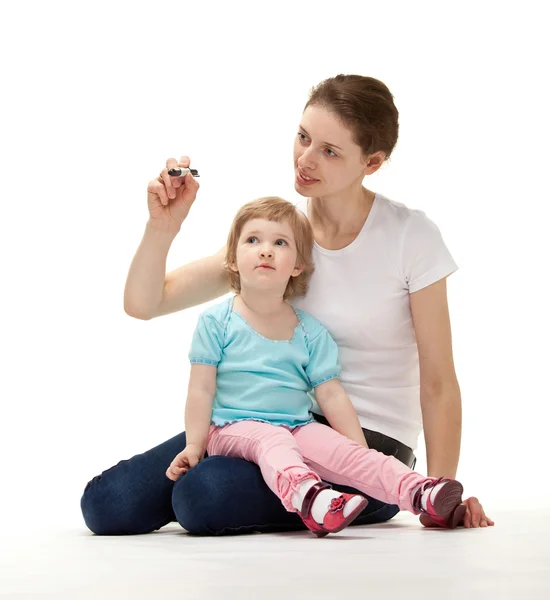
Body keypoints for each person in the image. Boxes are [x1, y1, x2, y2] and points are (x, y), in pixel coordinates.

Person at [81, 74, 494, 535]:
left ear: (371, 162)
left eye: (329, 151)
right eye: (303, 137)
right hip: (261, 422)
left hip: (366, 446)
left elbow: (438, 382)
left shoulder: (409, 237)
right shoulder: (279, 239)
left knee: (202, 496)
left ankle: (380, 492)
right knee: (107, 505)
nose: (305, 159)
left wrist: (440, 492)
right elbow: (144, 303)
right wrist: (164, 228)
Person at [165, 196, 469, 537]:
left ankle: (421, 492)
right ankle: (308, 496)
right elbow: (200, 389)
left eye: (279, 243)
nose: (265, 250)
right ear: (232, 259)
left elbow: (333, 396)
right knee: (272, 442)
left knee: (337, 450)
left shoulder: (309, 330)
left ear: (297, 264)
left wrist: (357, 451)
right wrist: (194, 445)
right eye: (252, 241)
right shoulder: (215, 321)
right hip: (233, 427)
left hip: (297, 423)